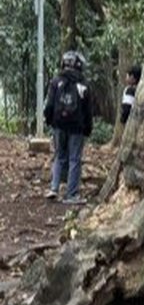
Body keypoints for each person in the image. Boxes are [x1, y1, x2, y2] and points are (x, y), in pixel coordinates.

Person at [44, 50, 93, 205]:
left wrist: (49, 120)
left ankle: (54, 188)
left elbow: (49, 104)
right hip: (77, 128)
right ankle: (71, 194)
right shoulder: (83, 84)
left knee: (59, 156)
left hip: (58, 125)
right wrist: (88, 128)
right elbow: (88, 110)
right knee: (74, 159)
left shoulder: (56, 81)